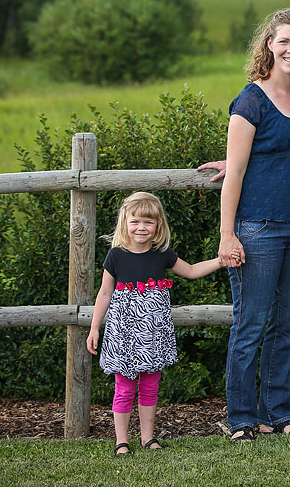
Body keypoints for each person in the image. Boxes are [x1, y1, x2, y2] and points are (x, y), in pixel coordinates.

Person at [214, 8, 290, 441]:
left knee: (288, 325)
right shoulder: (250, 100)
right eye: (284, 42)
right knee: (251, 324)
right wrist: (227, 235)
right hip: (258, 228)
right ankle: (240, 418)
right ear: (269, 46)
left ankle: (277, 414)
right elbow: (236, 174)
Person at [87, 192, 226, 455]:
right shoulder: (115, 256)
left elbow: (193, 271)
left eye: (148, 223)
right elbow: (105, 294)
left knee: (150, 386)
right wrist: (95, 328)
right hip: (124, 334)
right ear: (124, 223)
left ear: (158, 226)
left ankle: (148, 438)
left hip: (153, 333)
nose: (141, 228)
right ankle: (121, 441)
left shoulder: (162, 254)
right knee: (125, 388)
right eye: (135, 221)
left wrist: (220, 261)